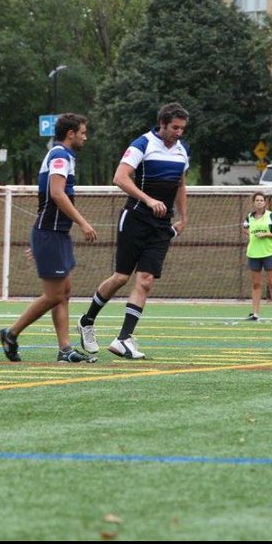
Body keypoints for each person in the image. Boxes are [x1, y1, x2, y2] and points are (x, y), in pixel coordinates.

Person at [77, 102, 189, 360]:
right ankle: (87, 320)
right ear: (162, 124)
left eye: (182, 128)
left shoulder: (183, 151)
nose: (179, 132)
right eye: (175, 127)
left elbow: (180, 183)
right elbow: (120, 177)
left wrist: (184, 217)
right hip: (136, 218)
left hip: (162, 225)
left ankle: (123, 339)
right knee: (120, 277)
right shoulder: (142, 144)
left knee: (146, 280)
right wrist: (148, 200)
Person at [0, 113, 98, 364]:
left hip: (56, 235)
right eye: (83, 132)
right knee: (54, 295)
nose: (86, 137)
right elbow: (56, 193)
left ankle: (65, 349)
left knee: (63, 292)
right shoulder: (59, 155)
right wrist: (83, 222)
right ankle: (10, 334)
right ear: (71, 134)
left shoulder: (65, 157)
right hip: (49, 235)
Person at [243, 192, 272, 321]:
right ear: (253, 203)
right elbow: (245, 227)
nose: (259, 202)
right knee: (256, 284)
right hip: (254, 253)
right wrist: (250, 234)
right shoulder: (249, 217)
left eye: (261, 200)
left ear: (265, 202)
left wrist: (266, 234)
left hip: (269, 253)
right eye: (257, 200)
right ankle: (255, 313)